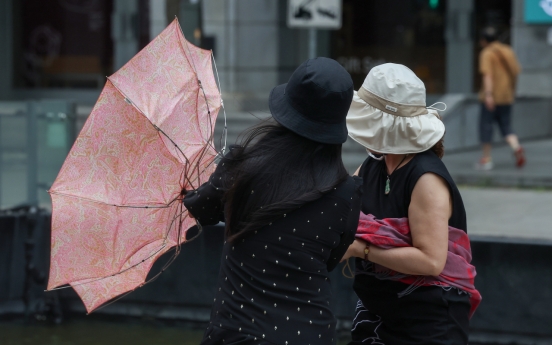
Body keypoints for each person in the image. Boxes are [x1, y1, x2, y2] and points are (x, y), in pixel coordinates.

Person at [184, 57, 363, 345]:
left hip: (239, 332)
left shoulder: (242, 166)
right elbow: (329, 258)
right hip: (311, 335)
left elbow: (201, 209)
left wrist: (195, 186)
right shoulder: (347, 193)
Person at [342, 63, 477, 344]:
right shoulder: (374, 166)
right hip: (379, 309)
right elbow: (338, 202)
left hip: (427, 320)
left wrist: (361, 249)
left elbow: (431, 261)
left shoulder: (426, 178)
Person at [477, 26, 525, 170]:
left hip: (492, 97)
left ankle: (487, 158)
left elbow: (488, 75)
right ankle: (516, 147)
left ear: (484, 40)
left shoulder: (487, 53)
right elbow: (516, 72)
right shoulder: (508, 50)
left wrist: (488, 95)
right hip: (506, 96)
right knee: (506, 125)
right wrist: (512, 91)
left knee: (486, 126)